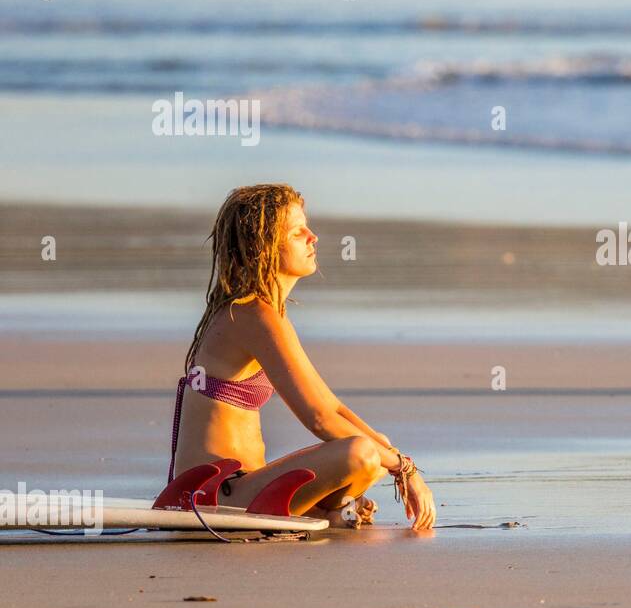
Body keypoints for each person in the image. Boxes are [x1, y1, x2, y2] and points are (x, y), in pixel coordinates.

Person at [168, 183, 435, 530]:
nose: (313, 237)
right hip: (214, 497)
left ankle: (326, 512)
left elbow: (332, 406)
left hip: (246, 488)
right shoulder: (252, 316)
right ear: (264, 249)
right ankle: (328, 512)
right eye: (297, 232)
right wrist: (404, 469)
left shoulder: (265, 313)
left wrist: (396, 454)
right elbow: (320, 419)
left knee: (373, 447)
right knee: (361, 453)